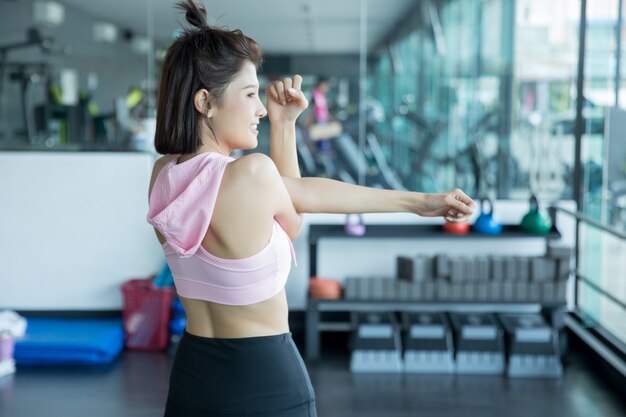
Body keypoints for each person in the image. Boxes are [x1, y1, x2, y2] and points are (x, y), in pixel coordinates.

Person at [146, 1, 476, 416]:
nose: (261, 109)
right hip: (265, 379)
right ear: (205, 102)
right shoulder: (252, 174)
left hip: (192, 377)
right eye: (249, 95)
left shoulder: (163, 176)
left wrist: (283, 126)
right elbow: (301, 209)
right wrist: (418, 202)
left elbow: (287, 213)